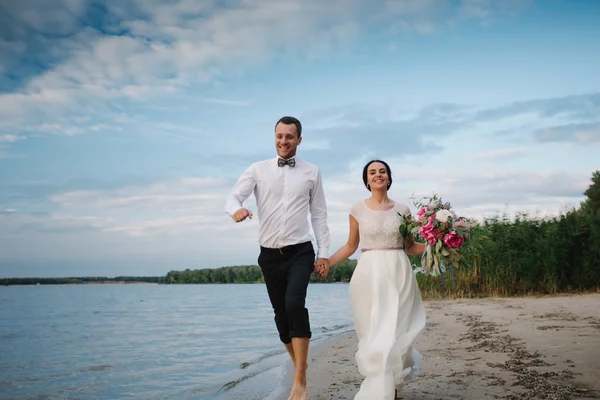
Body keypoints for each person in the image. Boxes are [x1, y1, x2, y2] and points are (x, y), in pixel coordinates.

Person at [224, 116, 331, 400]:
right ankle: (300, 367)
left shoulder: (312, 172)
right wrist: (236, 209)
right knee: (280, 315)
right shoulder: (257, 170)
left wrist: (323, 254)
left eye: (290, 136)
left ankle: (300, 379)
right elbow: (233, 197)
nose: (284, 141)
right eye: (280, 136)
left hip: (300, 250)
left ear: (299, 139)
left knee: (295, 303)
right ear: (274, 137)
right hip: (269, 255)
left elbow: (319, 215)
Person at [316, 159, 427, 400]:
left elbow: (410, 247)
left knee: (398, 329)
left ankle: (393, 386)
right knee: (374, 330)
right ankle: (380, 385)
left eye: (382, 171)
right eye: (372, 172)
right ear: (366, 180)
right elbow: (350, 246)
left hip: (399, 271)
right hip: (369, 274)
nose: (378, 175)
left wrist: (437, 243)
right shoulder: (357, 209)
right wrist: (326, 261)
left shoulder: (404, 210)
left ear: (389, 177)